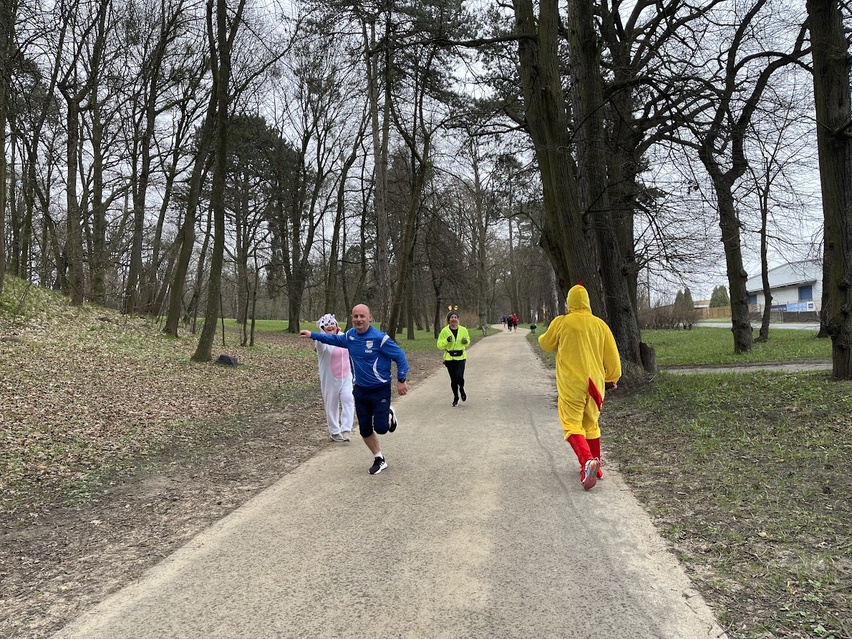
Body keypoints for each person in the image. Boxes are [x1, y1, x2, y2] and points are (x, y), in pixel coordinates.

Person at [300, 304, 409, 475]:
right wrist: (312, 335)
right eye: (355, 316)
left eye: (362, 316)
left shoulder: (380, 338)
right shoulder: (350, 336)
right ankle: (379, 458)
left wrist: (401, 379)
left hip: (380, 388)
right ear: (351, 318)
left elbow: (400, 356)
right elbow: (333, 340)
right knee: (364, 430)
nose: (359, 319)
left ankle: (389, 413)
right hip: (360, 390)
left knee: (381, 428)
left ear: (370, 318)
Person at [537, 283, 622, 490]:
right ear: (587, 302)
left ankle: (587, 462)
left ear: (570, 303)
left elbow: (546, 344)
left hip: (572, 384)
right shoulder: (600, 325)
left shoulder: (562, 323)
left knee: (572, 424)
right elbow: (613, 359)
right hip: (595, 384)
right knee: (591, 424)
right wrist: (611, 378)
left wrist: (544, 335)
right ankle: (597, 468)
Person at [312, 314, 355, 442]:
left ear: (336, 325)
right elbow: (320, 344)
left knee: (348, 399)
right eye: (326, 325)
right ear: (322, 328)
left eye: (332, 324)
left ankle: (346, 429)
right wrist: (320, 334)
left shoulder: (344, 337)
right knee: (332, 404)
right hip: (330, 379)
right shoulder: (321, 341)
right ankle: (334, 431)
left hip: (346, 376)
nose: (330, 326)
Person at [436, 310, 470, 407]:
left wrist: (465, 341)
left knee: (459, 376)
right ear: (449, 320)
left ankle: (462, 389)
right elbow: (439, 345)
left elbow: (467, 341)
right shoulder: (444, 331)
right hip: (450, 358)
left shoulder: (463, 330)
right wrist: (447, 341)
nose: (453, 319)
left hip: (461, 357)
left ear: (458, 319)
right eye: (452, 318)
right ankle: (456, 397)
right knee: (453, 379)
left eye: (455, 317)